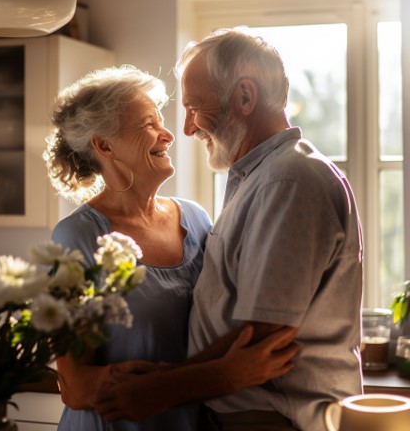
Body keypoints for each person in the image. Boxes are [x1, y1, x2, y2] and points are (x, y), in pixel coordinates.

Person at [94, 28, 363, 431]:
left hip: (276, 420)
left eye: (193, 107)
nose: (186, 129)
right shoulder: (260, 178)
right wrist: (166, 376)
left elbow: (263, 335)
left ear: (244, 97)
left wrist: (161, 388)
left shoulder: (288, 181)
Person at [44, 65, 299, 431]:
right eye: (148, 125)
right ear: (104, 145)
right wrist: (217, 376)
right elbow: (74, 386)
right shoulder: (75, 238)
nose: (168, 134)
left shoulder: (195, 219)